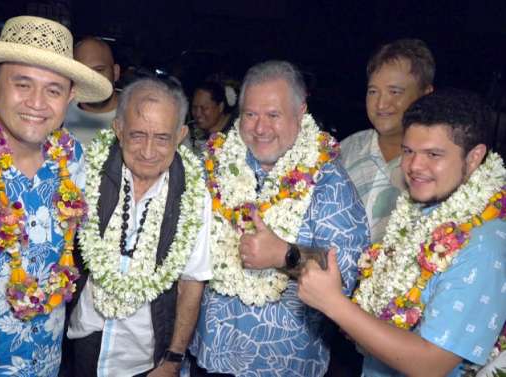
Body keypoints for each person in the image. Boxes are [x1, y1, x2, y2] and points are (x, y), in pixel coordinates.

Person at [0, 15, 111, 377]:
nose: (37, 103)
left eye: (53, 90)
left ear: (70, 97)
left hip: (46, 365)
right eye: (22, 84)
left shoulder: (73, 161)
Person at [298, 89, 506, 376]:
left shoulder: (484, 243)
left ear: (474, 158)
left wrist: (334, 304)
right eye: (408, 151)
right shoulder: (420, 207)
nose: (414, 166)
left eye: (433, 154)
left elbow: (431, 364)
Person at [188, 60, 370, 376]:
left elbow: (344, 279)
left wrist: (283, 255)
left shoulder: (330, 182)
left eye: (273, 115)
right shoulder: (214, 165)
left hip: (282, 364)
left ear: (300, 113)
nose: (260, 128)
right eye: (250, 114)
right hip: (206, 354)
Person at [64, 77, 212, 377]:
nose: (148, 150)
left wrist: (172, 360)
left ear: (181, 135)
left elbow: (192, 283)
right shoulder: (87, 172)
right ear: (118, 130)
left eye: (162, 137)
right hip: (85, 338)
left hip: (147, 356)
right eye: (137, 135)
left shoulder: (194, 196)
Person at [340, 39, 435, 243]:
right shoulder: (347, 149)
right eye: (373, 91)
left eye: (395, 92)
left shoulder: (437, 164)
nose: (381, 104)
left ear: (426, 94)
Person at [63, 37, 120, 145]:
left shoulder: (135, 116)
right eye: (82, 73)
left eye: (99, 70)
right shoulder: (57, 113)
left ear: (116, 73)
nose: (91, 80)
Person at [188, 81, 236, 155]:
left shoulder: (236, 133)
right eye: (194, 107)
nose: (198, 114)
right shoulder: (190, 131)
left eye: (204, 108)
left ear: (220, 107)